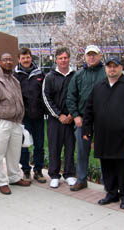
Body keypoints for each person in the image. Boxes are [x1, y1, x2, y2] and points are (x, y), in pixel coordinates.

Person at [82, 56, 124, 209]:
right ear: (105, 69)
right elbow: (89, 109)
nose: (112, 69)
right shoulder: (99, 87)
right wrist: (87, 128)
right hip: (103, 135)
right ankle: (111, 193)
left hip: (122, 136)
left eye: (115, 66)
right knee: (107, 166)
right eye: (109, 66)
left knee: (122, 168)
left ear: (121, 68)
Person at [0, 53, 30, 195]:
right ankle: (1, 181)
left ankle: (14, 177)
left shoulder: (14, 80)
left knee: (14, 152)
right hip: (1, 122)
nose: (8, 62)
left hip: (15, 122)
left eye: (10, 59)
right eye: (5, 60)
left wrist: (20, 118)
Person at [67, 45, 106, 191]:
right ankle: (82, 179)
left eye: (94, 54)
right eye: (89, 55)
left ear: (99, 56)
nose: (91, 57)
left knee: (104, 151)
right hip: (83, 120)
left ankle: (106, 181)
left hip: (103, 120)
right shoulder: (79, 75)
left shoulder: (106, 73)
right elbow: (71, 97)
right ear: (84, 57)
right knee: (82, 151)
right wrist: (76, 116)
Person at [42, 47, 77, 188]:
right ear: (56, 59)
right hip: (55, 119)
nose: (63, 60)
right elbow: (46, 97)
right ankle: (54, 175)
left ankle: (69, 174)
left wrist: (71, 114)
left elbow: (78, 96)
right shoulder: (49, 77)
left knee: (70, 147)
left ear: (69, 59)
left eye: (66, 57)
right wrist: (58, 115)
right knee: (54, 147)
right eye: (60, 58)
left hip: (71, 119)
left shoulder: (75, 75)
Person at [14, 47, 46, 183]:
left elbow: (45, 93)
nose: (26, 60)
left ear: (31, 58)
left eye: (28, 57)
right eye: (23, 58)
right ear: (19, 59)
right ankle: (26, 170)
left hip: (38, 116)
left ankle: (38, 171)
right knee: (24, 145)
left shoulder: (40, 74)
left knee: (39, 145)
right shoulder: (15, 75)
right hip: (23, 117)